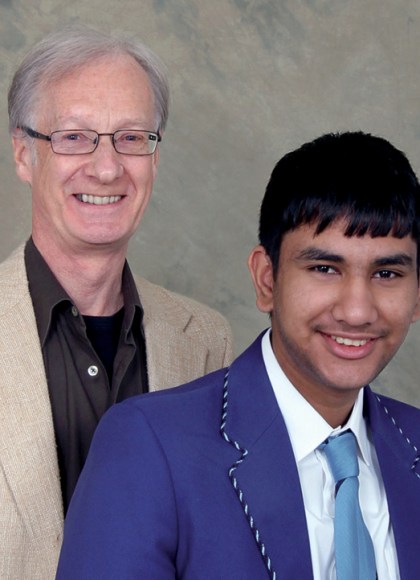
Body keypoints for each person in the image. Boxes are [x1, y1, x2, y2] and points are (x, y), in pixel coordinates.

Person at [57, 131, 420, 580]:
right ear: (267, 279)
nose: (357, 311)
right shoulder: (148, 448)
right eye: (324, 268)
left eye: (387, 273)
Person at [0, 26, 233, 579]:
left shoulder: (205, 342)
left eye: (130, 137)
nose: (106, 168)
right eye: (74, 137)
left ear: (156, 157)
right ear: (24, 154)